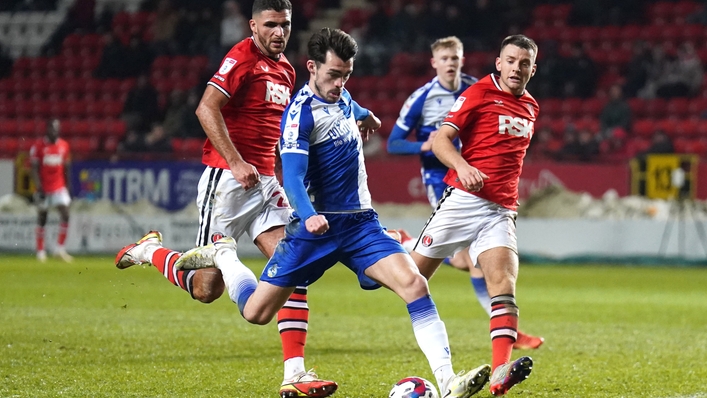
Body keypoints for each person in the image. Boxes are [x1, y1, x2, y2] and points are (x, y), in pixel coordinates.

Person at [174, 27, 492, 398]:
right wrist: (308, 214)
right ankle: (225, 256)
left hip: (359, 224)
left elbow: (348, 103)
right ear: (311, 68)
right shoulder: (300, 115)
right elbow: (291, 176)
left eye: (347, 74)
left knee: (414, 284)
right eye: (333, 75)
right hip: (315, 229)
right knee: (257, 313)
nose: (340, 83)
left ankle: (447, 381)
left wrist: (367, 114)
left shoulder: (340, 95)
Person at [113, 1, 337, 397]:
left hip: (266, 185)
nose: (279, 32)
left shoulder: (286, 69)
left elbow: (279, 131)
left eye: (284, 24)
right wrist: (234, 161)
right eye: (270, 24)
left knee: (293, 265)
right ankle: (150, 251)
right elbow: (205, 108)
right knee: (205, 290)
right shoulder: (241, 57)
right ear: (254, 25)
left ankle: (295, 374)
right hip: (228, 184)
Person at [387, 36, 543, 352]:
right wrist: (427, 147)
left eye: (455, 57)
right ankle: (404, 242)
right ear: (434, 62)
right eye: (444, 58)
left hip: (489, 197)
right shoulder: (425, 97)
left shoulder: (490, 91)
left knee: (483, 268)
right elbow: (394, 143)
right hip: (442, 181)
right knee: (426, 273)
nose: (451, 63)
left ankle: (506, 340)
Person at [30, 119, 73, 263]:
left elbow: (66, 167)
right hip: (44, 188)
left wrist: (68, 186)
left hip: (59, 186)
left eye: (57, 129)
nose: (55, 131)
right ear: (47, 129)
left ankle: (59, 249)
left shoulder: (64, 146)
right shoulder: (38, 147)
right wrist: (39, 187)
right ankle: (40, 251)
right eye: (52, 129)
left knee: (65, 213)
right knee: (43, 217)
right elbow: (34, 169)